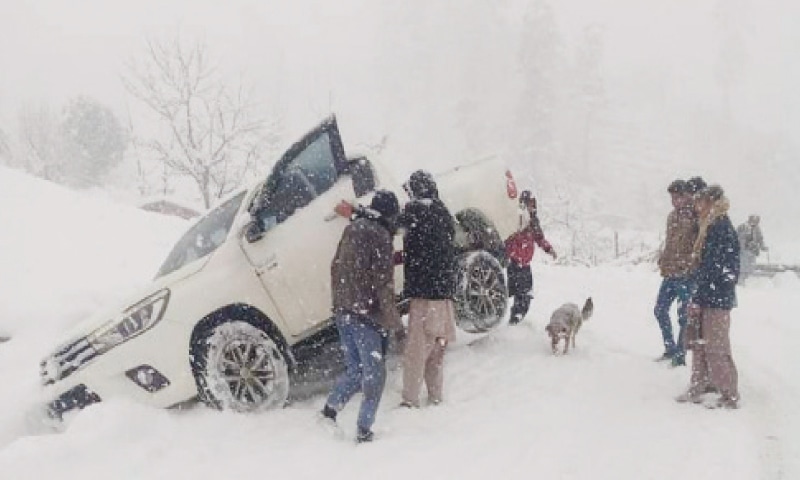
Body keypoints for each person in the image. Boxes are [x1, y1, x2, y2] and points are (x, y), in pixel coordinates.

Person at [320, 190, 403, 443]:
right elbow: (384, 285)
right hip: (365, 315)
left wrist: (341, 303)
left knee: (355, 370)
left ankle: (329, 411)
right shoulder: (380, 236)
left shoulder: (354, 228)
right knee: (375, 374)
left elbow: (335, 267)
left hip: (344, 311)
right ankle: (364, 429)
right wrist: (396, 324)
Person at [396, 170, 458, 408]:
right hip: (445, 297)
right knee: (436, 352)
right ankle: (435, 396)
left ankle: (410, 400)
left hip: (424, 297)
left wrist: (356, 213)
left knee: (416, 351)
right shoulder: (443, 212)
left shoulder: (415, 211)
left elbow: (390, 225)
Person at [677, 185, 741, 409]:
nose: (696, 207)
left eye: (699, 202)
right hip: (706, 294)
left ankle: (729, 394)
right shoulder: (708, 225)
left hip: (716, 297)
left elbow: (717, 268)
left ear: (711, 202)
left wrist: (701, 293)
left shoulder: (720, 227)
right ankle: (699, 385)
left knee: (716, 348)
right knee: (699, 344)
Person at [653, 179, 698, 367]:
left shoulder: (695, 215)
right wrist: (663, 258)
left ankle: (680, 356)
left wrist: (690, 265)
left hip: (686, 274)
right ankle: (670, 348)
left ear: (686, 196)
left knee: (684, 316)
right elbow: (670, 242)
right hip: (670, 272)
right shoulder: (672, 216)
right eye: (672, 198)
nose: (674, 201)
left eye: (677, 197)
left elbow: (698, 245)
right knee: (660, 310)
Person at [505, 190, 557, 325]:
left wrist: (549, 249)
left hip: (525, 264)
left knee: (525, 295)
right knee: (512, 292)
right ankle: (510, 321)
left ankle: (515, 320)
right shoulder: (516, 218)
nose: (532, 207)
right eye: (529, 203)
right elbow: (507, 237)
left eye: (533, 204)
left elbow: (539, 238)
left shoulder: (533, 221)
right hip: (513, 262)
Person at [736, 215, 767, 284]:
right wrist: (745, 244)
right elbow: (738, 238)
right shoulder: (742, 227)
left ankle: (749, 282)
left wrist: (762, 247)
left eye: (757, 221)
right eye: (754, 221)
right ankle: (741, 282)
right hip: (743, 251)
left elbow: (760, 239)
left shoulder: (757, 229)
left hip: (753, 251)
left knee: (751, 268)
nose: (755, 223)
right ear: (750, 220)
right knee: (743, 268)